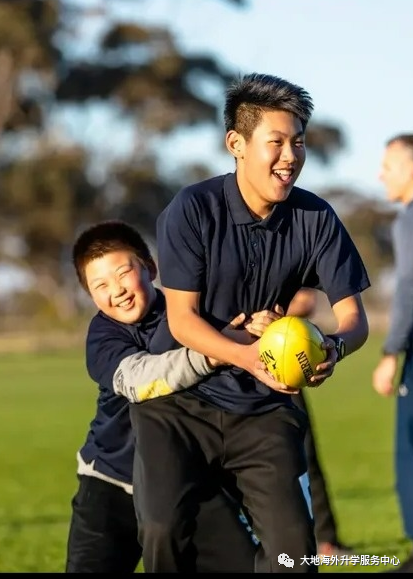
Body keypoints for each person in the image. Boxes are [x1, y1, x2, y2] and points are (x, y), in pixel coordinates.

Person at [131, 72, 370, 573]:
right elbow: (181, 321)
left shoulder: (316, 218)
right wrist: (248, 355)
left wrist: (331, 347)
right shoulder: (192, 210)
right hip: (178, 405)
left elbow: (353, 319)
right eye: (276, 142)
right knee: (162, 530)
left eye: (298, 142)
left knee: (294, 555)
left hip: (264, 410)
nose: (291, 156)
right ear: (236, 143)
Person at [66, 219, 275, 573]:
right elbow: (141, 380)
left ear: (150, 268)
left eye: (122, 273)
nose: (115, 290)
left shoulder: (192, 313)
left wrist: (262, 330)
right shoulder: (101, 337)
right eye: (100, 285)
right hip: (111, 482)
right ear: (90, 295)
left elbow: (243, 330)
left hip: (186, 479)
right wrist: (216, 351)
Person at [287, 289, 354, 559]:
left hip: (286, 370)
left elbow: (307, 300)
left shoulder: (288, 253)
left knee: (305, 456)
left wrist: (277, 324)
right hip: (231, 367)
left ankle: (325, 540)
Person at [372, 134, 413, 573]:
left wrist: (390, 351)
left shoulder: (408, 220)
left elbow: (408, 289)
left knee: (409, 449)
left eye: (389, 164)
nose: (380, 174)